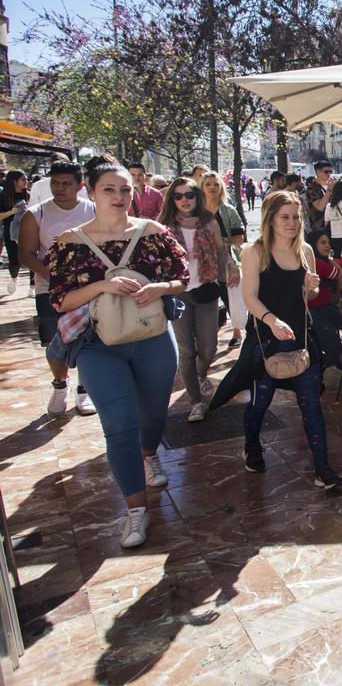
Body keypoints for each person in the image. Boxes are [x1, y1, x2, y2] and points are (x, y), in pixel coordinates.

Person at [48, 162, 189, 548]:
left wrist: (159, 288)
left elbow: (183, 277)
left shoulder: (153, 233)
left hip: (153, 337)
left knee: (154, 413)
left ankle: (150, 454)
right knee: (120, 424)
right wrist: (102, 286)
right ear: (90, 192)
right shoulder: (69, 243)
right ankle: (135, 510)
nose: (119, 197)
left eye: (125, 189)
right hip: (98, 346)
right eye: (109, 189)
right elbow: (60, 300)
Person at [238, 191, 341, 489]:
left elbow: (307, 298)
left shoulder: (305, 250)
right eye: (285, 217)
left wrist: (312, 287)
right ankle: (252, 446)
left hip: (302, 338)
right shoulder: (255, 252)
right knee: (261, 401)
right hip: (266, 341)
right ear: (270, 218)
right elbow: (249, 298)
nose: (292, 223)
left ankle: (322, 467)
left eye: (296, 217)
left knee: (310, 404)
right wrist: (272, 320)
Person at [18, 160, 96, 416]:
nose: (59, 188)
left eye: (66, 184)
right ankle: (60, 384)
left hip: (88, 290)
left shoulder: (93, 211)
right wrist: (54, 278)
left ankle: (84, 391)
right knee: (56, 343)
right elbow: (26, 255)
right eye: (55, 183)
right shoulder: (36, 213)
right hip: (49, 290)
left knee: (88, 340)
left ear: (79, 185)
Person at [159, 176, 231, 422]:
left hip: (206, 290)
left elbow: (221, 252)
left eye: (189, 194)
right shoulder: (164, 225)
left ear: (196, 196)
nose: (184, 200)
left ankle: (201, 374)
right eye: (178, 196)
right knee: (186, 350)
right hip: (178, 292)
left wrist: (231, 272)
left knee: (209, 346)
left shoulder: (209, 222)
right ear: (172, 199)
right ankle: (196, 401)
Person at [200, 172, 247, 349]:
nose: (212, 188)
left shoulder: (228, 210)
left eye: (216, 184)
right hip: (203, 261)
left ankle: (236, 332)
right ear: (202, 188)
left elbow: (239, 239)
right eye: (208, 184)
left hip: (226, 260)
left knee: (231, 297)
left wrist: (221, 241)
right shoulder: (196, 211)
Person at [305, 229, 342, 372]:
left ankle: (340, 364)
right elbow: (340, 273)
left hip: (326, 308)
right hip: (315, 312)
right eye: (323, 242)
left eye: (328, 243)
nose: (327, 246)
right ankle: (323, 367)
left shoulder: (322, 261)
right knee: (333, 348)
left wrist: (331, 261)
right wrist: (335, 261)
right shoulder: (317, 262)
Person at [0, 169, 30, 294]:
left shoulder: (28, 195)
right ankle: (14, 279)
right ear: (15, 181)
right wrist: (12, 212)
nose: (26, 182)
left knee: (31, 257)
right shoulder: (3, 196)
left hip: (28, 230)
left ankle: (32, 287)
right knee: (14, 260)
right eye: (23, 179)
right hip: (10, 231)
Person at [305, 159, 334, 232]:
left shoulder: (327, 186)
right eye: (326, 172)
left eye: (330, 171)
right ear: (318, 172)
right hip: (318, 228)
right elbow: (320, 207)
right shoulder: (312, 188)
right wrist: (329, 190)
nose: (329, 174)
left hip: (331, 226)